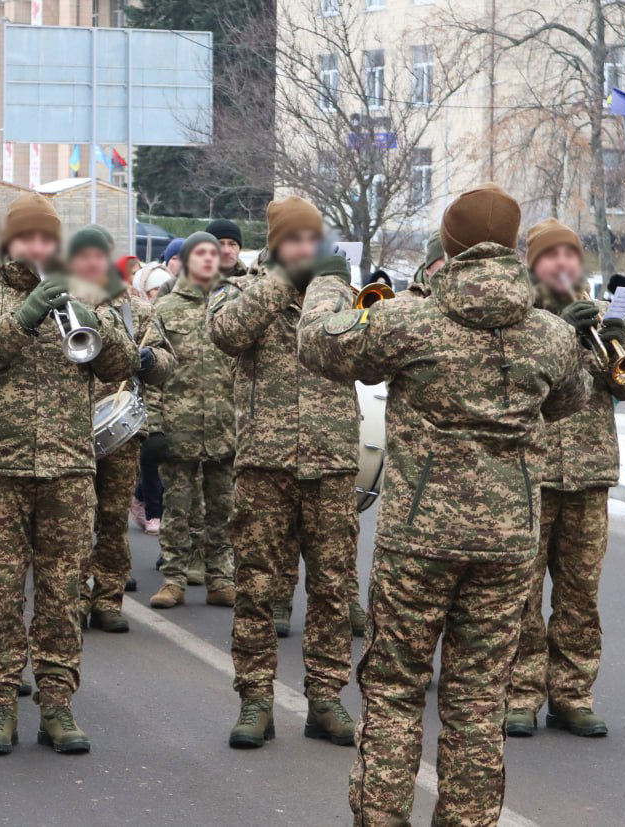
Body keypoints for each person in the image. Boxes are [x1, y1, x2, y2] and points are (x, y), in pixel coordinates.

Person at [298, 183, 590, 826]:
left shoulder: (408, 318)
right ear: (512, 246)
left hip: (417, 537)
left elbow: (321, 345)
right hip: (509, 538)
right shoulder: (548, 332)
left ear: (450, 246)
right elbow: (568, 402)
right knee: (479, 700)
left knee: (396, 691)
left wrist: (326, 285)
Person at [0, 192, 137, 756]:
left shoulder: (84, 294)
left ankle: (57, 704)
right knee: (0, 595)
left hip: (69, 469)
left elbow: (122, 363)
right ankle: (0, 706)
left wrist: (91, 313)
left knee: (62, 593)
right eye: (28, 238)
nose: (38, 248)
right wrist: (23, 318)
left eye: (47, 240)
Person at [207, 196, 361, 749]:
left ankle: (325, 699)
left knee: (332, 590)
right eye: (293, 241)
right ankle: (255, 702)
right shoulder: (241, 288)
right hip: (264, 466)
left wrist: (327, 288)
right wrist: (280, 279)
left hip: (332, 463)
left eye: (310, 240)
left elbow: (361, 356)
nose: (304, 249)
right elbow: (226, 333)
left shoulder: (339, 294)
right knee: (256, 588)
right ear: (275, 244)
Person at [505, 219, 625, 740]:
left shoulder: (599, 311)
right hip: (533, 473)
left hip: (589, 475)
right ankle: (521, 694)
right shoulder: (516, 314)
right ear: (534, 264)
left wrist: (619, 337)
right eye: (552, 257)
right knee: (522, 595)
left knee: (580, 595)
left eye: (570, 256)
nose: (563, 265)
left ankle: (572, 695)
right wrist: (562, 336)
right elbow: (512, 382)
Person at [67, 225, 174, 633]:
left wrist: (149, 360)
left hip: (120, 430)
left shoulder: (134, 305)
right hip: (68, 429)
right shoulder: (59, 303)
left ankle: (108, 599)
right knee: (73, 522)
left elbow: (166, 359)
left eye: (99, 254)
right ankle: (73, 598)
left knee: (112, 518)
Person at [145, 233, 236, 610]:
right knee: (177, 508)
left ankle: (220, 578)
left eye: (213, 254)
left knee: (223, 510)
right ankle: (174, 579)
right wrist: (153, 425)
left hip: (224, 425)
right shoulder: (165, 308)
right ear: (184, 260)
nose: (208, 259)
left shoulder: (233, 304)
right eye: (200, 253)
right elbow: (149, 366)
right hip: (178, 423)